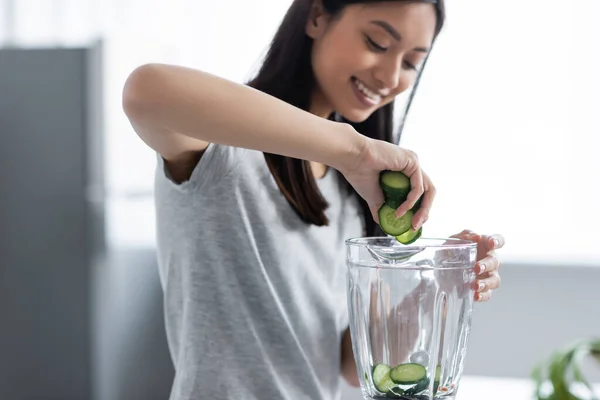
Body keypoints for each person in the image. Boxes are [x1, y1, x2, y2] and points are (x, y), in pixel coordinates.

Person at [122, 0, 504, 399]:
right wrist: (353, 150)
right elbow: (145, 91)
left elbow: (348, 365)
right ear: (317, 16)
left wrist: (435, 284)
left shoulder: (351, 187)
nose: (391, 76)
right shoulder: (225, 153)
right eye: (377, 42)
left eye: (410, 63)